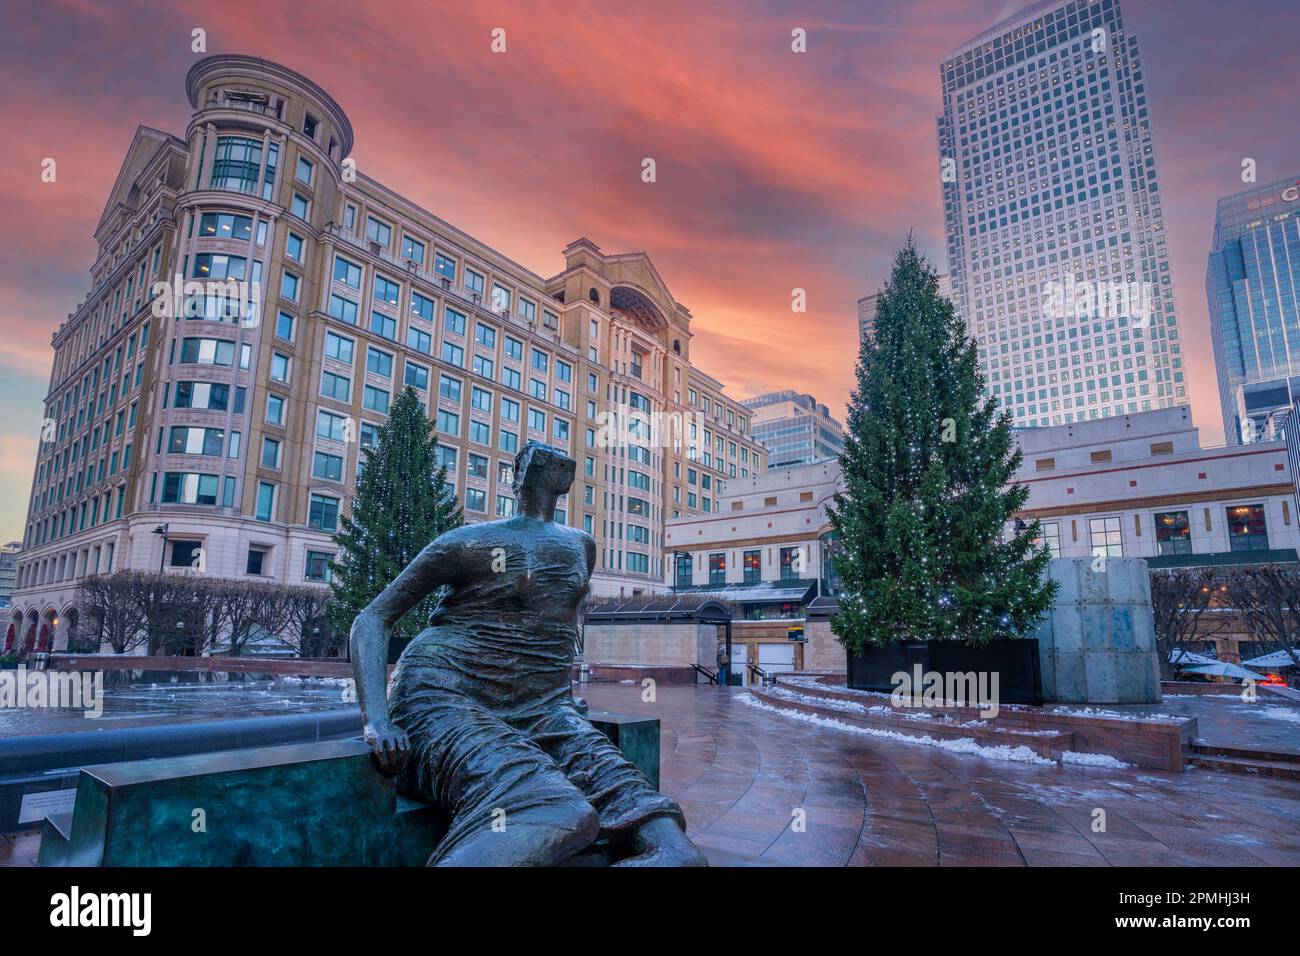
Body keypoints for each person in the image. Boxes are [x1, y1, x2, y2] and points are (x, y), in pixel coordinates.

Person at [350, 440, 705, 867]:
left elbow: (556, 624)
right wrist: (377, 718)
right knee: (556, 812)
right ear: (517, 478)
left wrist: (561, 695)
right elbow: (372, 619)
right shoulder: (470, 542)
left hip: (544, 709)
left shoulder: (580, 545)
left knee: (676, 853)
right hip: (444, 696)